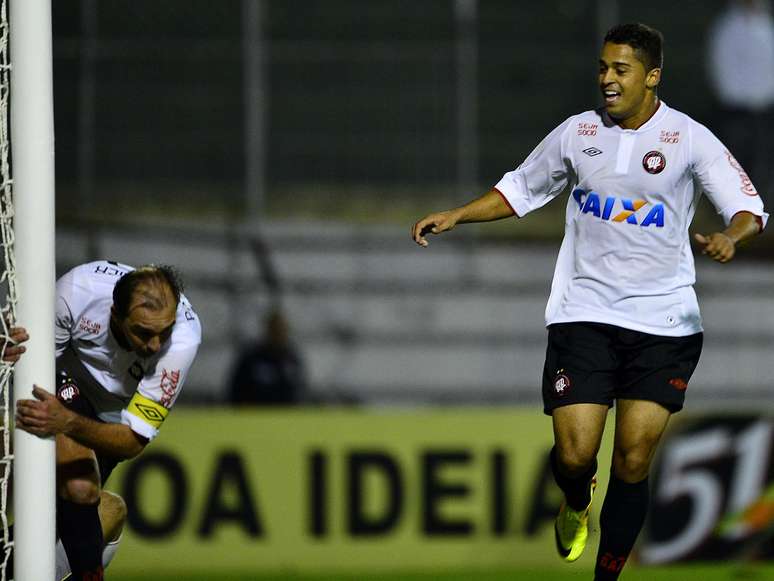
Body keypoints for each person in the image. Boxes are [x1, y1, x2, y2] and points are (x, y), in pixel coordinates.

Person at [412, 23, 767, 581]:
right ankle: (576, 500)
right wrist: (459, 214)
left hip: (663, 321)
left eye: (620, 70)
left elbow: (748, 207)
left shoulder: (690, 138)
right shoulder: (578, 132)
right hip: (585, 314)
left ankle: (606, 576)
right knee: (576, 456)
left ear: (651, 77)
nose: (606, 79)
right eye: (603, 67)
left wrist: (731, 237)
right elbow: (521, 189)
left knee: (632, 459)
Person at [12, 260, 202, 581]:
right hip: (61, 382)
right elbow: (32, 369)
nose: (155, 345)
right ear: (115, 314)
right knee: (79, 484)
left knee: (100, 512)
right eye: (143, 332)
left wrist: (69, 423)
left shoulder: (182, 339)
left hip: (109, 422)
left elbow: (132, 441)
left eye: (163, 332)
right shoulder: (76, 293)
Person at [707, 0, 774, 202]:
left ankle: (761, 202)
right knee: (736, 158)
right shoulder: (728, 26)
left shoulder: (766, 24)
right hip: (736, 106)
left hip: (764, 106)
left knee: (763, 157)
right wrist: (731, 95)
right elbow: (721, 63)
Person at [228, 308, 306, 405]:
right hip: (254, 415)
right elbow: (236, 390)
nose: (279, 334)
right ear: (267, 330)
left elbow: (300, 391)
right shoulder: (252, 358)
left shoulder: (292, 359)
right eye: (275, 330)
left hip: (287, 416)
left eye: (282, 330)